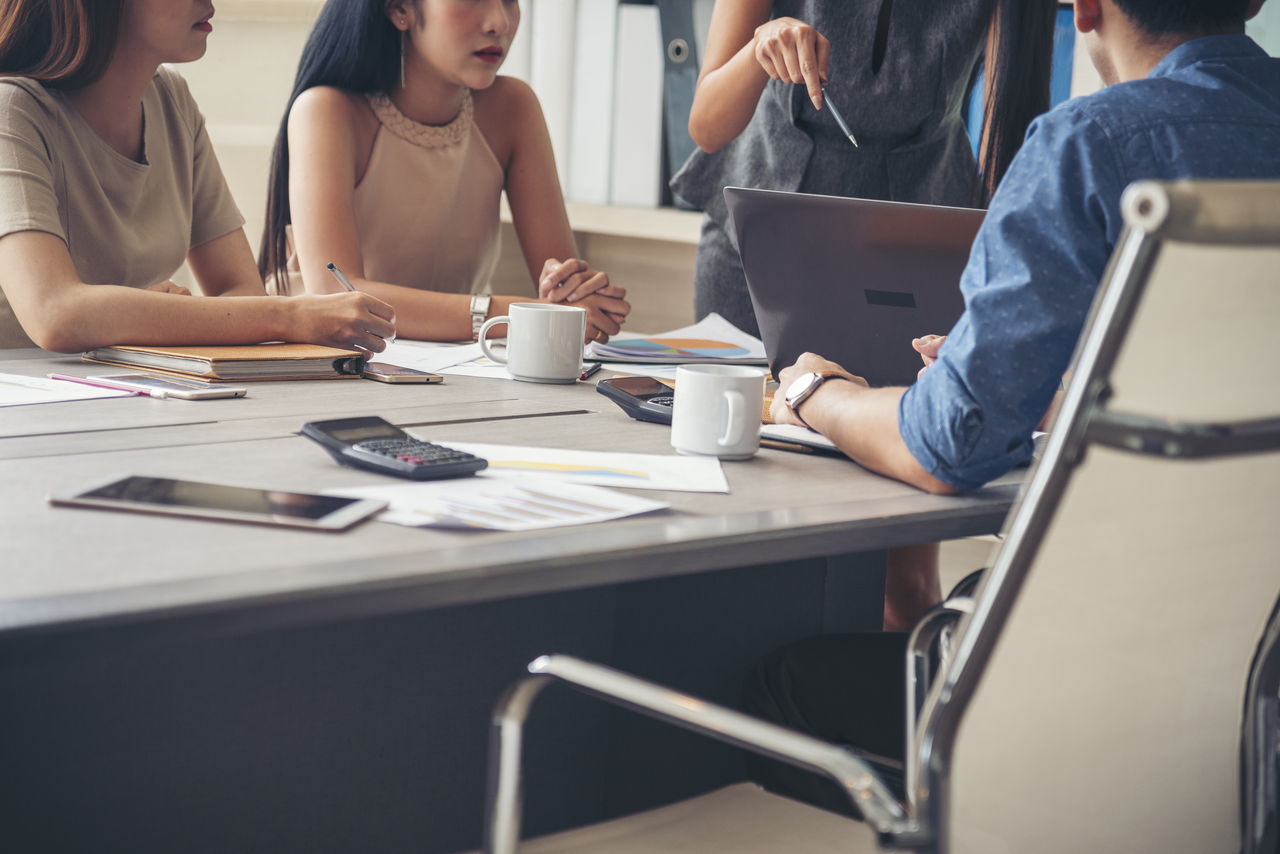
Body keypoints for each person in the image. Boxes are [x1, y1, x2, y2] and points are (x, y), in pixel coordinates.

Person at [752, 0, 1280, 816]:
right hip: (1254, 702)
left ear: (1086, 7)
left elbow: (945, 448)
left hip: (1095, 702)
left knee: (780, 683)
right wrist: (1072, 389)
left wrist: (816, 394)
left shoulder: (1090, 146)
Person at [0, 0, 395, 354]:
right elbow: (55, 313)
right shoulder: (11, 110)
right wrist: (290, 315)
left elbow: (242, 290)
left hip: (124, 391)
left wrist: (153, 314)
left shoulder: (171, 99)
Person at [672, 0, 1057, 339]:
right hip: (760, 242)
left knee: (886, 416)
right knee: (730, 413)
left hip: (915, 256)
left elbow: (1008, 142)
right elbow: (707, 127)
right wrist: (759, 48)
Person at [259, 0, 630, 344]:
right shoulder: (327, 110)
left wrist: (572, 293)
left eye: (511, 0)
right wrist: (515, 315)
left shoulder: (513, 107)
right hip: (316, 361)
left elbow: (565, 297)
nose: (500, 21)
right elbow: (338, 296)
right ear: (400, 8)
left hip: (448, 364)